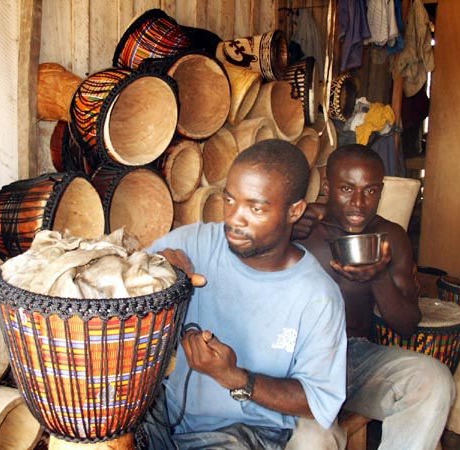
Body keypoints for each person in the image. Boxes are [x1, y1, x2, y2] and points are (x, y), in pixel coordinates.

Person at [139, 139, 347, 450]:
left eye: (255, 207)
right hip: (172, 416)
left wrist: (237, 378)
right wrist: (154, 269)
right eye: (230, 200)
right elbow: (120, 282)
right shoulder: (196, 243)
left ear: (295, 211)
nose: (235, 219)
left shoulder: (317, 297)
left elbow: (316, 399)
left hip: (250, 433)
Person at [288, 143, 455, 450]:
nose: (359, 203)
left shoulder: (390, 237)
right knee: (311, 439)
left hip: (354, 357)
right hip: (293, 360)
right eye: (346, 189)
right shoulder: (300, 226)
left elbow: (407, 323)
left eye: (370, 191)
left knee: (434, 380)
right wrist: (283, 231)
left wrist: (378, 277)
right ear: (327, 186)